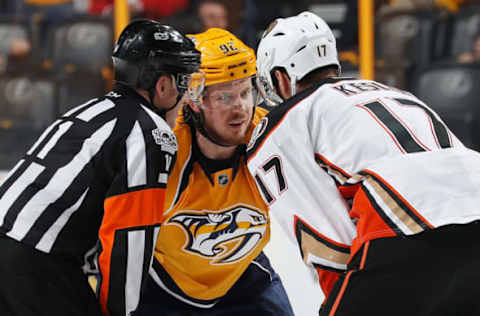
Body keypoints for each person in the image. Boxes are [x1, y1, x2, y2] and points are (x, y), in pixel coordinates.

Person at [247, 11, 480, 316]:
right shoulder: (394, 91)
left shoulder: (283, 122)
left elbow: (321, 236)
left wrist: (340, 301)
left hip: (406, 221)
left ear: (279, 77)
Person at [0, 19, 201, 316]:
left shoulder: (89, 110)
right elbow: (128, 242)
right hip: (36, 267)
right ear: (162, 84)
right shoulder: (151, 133)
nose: (186, 96)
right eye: (183, 81)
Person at [133, 28, 294, 316]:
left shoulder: (272, 136)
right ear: (192, 100)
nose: (241, 109)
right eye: (224, 98)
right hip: (161, 290)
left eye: (245, 92)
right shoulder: (162, 150)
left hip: (244, 277)